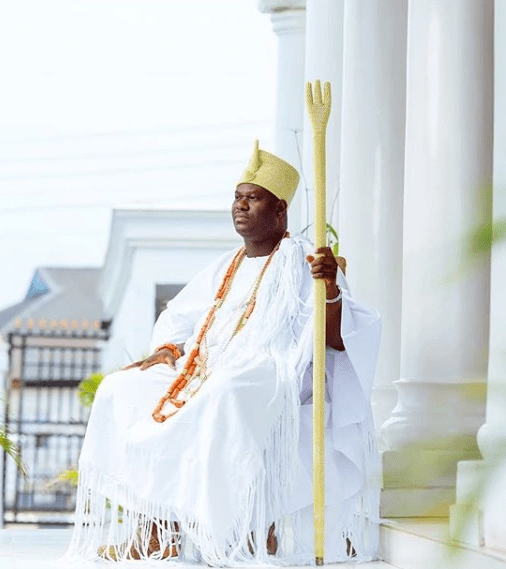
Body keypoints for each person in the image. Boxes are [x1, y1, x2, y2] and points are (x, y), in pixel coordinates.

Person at [66, 141, 381, 566]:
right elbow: (179, 318)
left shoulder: (304, 261)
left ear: (280, 210)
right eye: (237, 197)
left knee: (225, 393)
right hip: (204, 371)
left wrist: (332, 293)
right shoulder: (223, 266)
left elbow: (337, 339)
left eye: (253, 199)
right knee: (122, 389)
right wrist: (167, 349)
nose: (241, 206)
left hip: (271, 373)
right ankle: (156, 529)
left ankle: (248, 530)